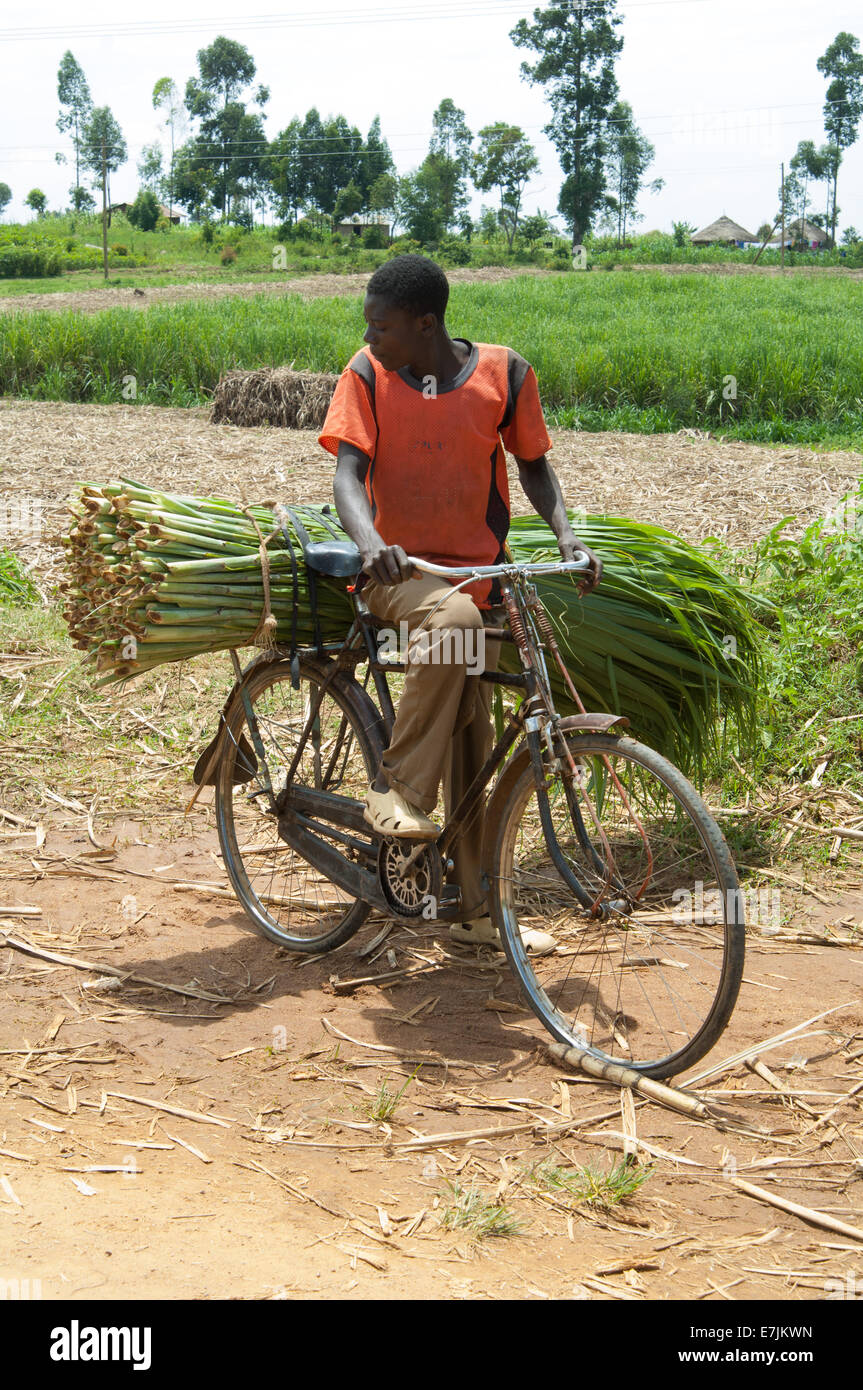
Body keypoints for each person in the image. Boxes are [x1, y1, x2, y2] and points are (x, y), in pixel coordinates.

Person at [318, 254, 602, 952]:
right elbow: (347, 476)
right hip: (398, 576)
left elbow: (533, 463)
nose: (370, 336)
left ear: (425, 323)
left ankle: (474, 908)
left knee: (476, 740)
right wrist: (369, 542)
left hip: (481, 576)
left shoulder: (503, 375)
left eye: (381, 326)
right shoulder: (366, 375)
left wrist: (568, 536)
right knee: (450, 618)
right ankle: (400, 793)